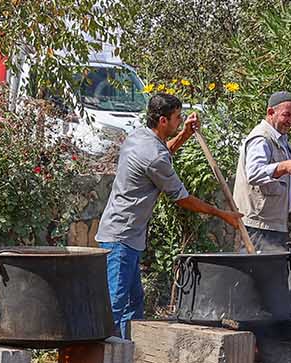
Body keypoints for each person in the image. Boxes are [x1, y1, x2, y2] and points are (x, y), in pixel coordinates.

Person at [95, 92, 242, 339]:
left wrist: (184, 134)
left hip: (124, 236)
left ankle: (129, 357)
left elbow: (162, 156)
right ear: (163, 120)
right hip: (121, 237)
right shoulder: (154, 156)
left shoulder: (139, 137)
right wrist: (221, 213)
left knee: (133, 303)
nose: (179, 120)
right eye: (176, 117)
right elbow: (182, 197)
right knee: (116, 305)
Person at [232, 91, 291, 251]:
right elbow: (254, 173)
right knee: (260, 273)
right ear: (270, 112)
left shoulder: (281, 141)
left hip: (275, 226)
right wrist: (283, 167)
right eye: (286, 115)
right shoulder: (261, 139)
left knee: (274, 274)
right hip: (260, 227)